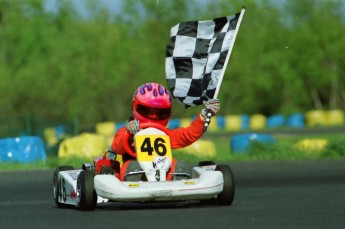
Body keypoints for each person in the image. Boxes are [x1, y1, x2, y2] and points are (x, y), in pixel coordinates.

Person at [111, 82, 220, 181]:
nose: (154, 116)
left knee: (180, 167)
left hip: (163, 168)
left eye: (159, 112)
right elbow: (116, 147)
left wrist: (204, 116)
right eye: (149, 111)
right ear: (136, 107)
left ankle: (177, 185)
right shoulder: (126, 132)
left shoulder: (165, 134)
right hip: (135, 169)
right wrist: (129, 133)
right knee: (132, 168)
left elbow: (187, 135)